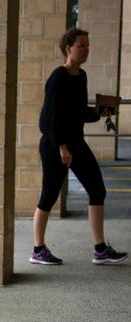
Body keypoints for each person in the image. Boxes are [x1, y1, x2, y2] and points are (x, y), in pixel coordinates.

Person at [30, 28, 127, 266]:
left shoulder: (80, 76)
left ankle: (100, 249)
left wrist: (104, 111)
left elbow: (79, 112)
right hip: (55, 145)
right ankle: (37, 249)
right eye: (81, 45)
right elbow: (50, 119)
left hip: (76, 142)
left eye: (87, 45)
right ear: (68, 48)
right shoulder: (58, 77)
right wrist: (62, 147)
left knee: (97, 190)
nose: (86, 49)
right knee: (49, 196)